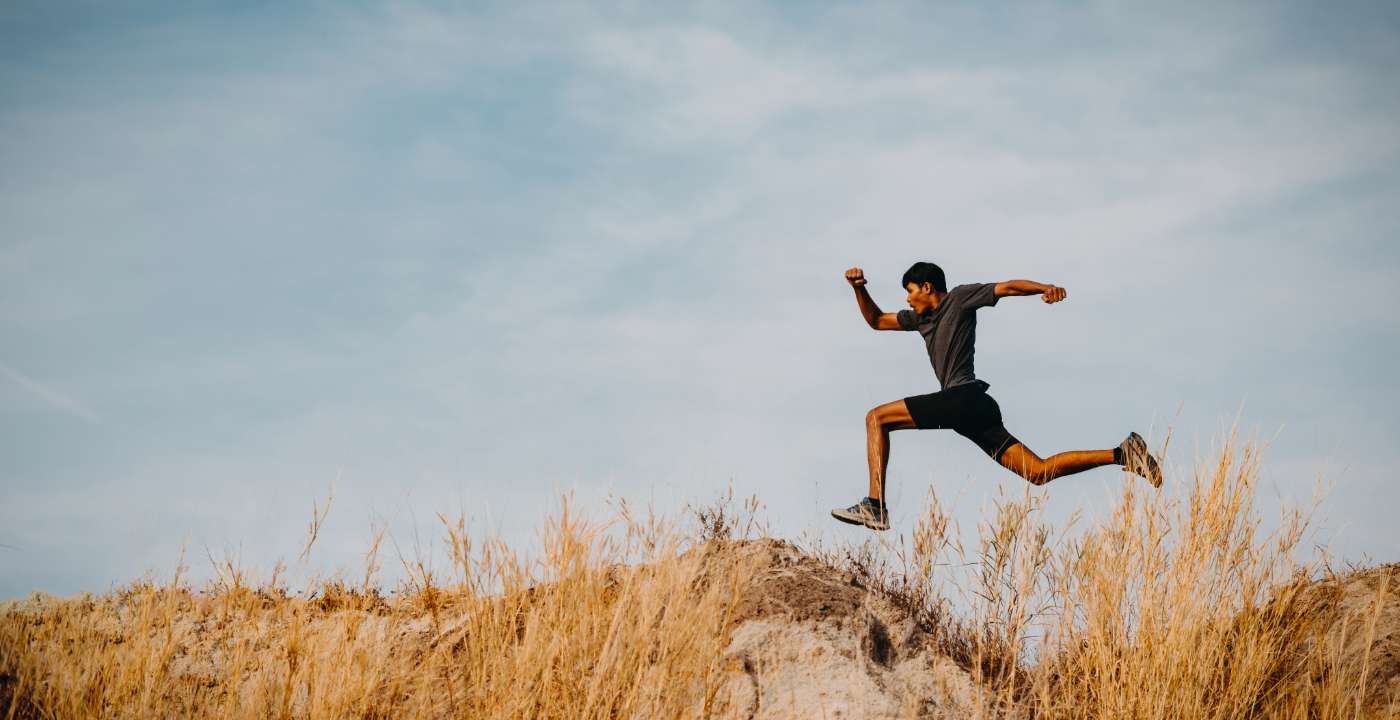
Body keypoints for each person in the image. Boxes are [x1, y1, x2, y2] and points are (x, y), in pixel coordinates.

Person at [831, 262, 1162, 531]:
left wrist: (1044, 289)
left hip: (963, 399)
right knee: (1038, 472)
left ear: (928, 288)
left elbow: (1006, 288)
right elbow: (876, 320)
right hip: (974, 410)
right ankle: (1123, 454)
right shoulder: (919, 319)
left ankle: (875, 505)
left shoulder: (959, 298)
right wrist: (860, 288)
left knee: (877, 418)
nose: (907, 300)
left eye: (910, 292)